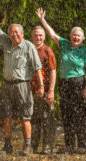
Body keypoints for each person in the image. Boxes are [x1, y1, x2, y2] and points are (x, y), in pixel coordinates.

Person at [0, 0, 44, 156]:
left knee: (26, 117)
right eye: (11, 32)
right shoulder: (6, 43)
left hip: (23, 85)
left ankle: (27, 146)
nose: (14, 35)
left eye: (16, 32)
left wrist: (41, 86)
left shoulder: (29, 46)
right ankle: (8, 145)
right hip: (6, 85)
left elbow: (37, 67)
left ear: (22, 33)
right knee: (6, 116)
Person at [36, 8, 86, 154]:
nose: (76, 37)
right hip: (64, 83)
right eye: (74, 35)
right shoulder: (65, 44)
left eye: (79, 36)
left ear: (83, 38)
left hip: (78, 83)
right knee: (66, 114)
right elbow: (52, 34)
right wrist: (42, 20)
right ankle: (69, 145)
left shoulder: (85, 52)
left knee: (79, 114)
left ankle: (81, 145)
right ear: (70, 36)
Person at [30, 26, 56, 154]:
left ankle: (47, 146)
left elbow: (53, 72)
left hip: (45, 90)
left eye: (40, 35)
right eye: (35, 35)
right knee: (34, 120)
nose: (38, 37)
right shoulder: (29, 49)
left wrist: (51, 91)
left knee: (47, 119)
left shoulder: (47, 51)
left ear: (44, 37)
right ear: (32, 37)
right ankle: (33, 145)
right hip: (31, 91)